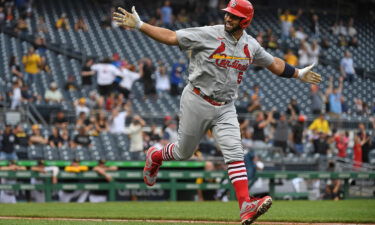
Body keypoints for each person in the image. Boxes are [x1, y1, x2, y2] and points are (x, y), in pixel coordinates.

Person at [113, 1, 321, 224]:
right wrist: (140, 25)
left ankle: (246, 205)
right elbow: (172, 37)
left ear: (246, 21)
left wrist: (298, 73)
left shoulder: (251, 45)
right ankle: (155, 155)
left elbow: (274, 64)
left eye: (234, 16)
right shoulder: (209, 33)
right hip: (197, 98)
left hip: (225, 106)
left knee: (235, 151)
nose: (228, 18)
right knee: (184, 152)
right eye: (228, 14)